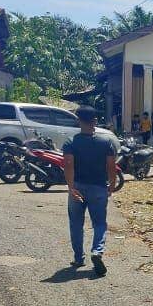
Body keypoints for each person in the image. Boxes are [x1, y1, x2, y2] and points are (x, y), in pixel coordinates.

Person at [63, 106, 118, 277]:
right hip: (99, 188)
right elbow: (111, 167)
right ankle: (97, 251)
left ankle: (79, 258)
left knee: (76, 223)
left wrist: (71, 187)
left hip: (78, 187)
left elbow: (69, 165)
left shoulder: (70, 143)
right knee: (99, 223)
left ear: (78, 121)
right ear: (95, 121)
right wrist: (112, 185)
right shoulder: (105, 143)